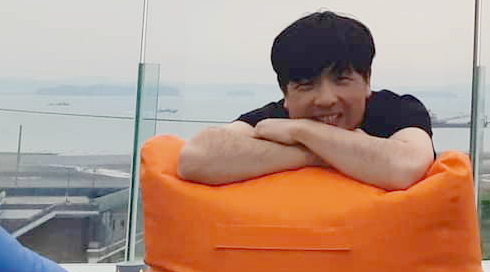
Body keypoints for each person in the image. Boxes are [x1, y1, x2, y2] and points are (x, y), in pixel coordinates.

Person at [177, 11, 436, 190]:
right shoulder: (273, 118)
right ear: (285, 93)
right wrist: (321, 153)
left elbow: (407, 166)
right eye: (306, 84)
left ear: (367, 81)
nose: (325, 99)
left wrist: (302, 131)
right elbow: (196, 158)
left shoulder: (397, 110)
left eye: (341, 79)